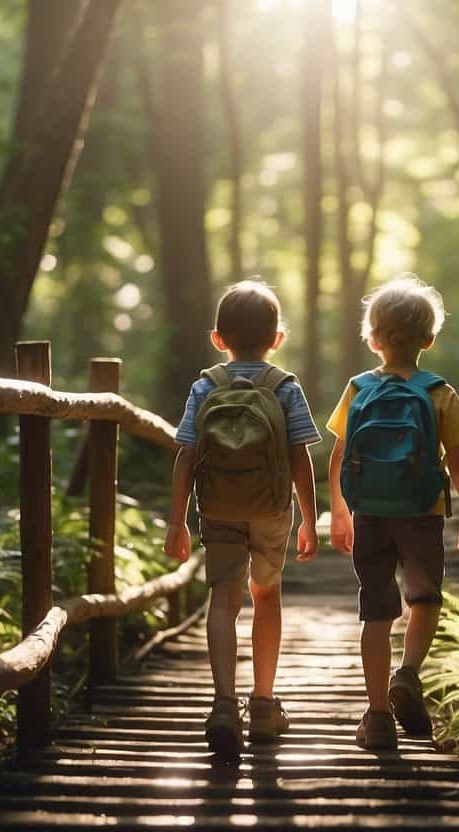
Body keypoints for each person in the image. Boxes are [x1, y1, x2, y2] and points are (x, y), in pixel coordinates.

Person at [326, 274, 459, 750]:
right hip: (422, 512)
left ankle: (376, 717)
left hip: (369, 511)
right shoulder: (438, 392)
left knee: (376, 612)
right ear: (429, 339)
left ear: (373, 339)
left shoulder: (358, 388)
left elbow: (338, 454)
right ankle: (409, 673)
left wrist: (338, 510)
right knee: (424, 597)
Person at [164, 280, 321, 756]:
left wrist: (176, 521)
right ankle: (264, 704)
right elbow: (299, 458)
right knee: (266, 595)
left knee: (223, 600)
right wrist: (311, 519)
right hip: (272, 509)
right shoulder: (285, 387)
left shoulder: (204, 386)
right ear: (277, 338)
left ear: (218, 338)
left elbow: (187, 456)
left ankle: (224, 705)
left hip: (217, 508)